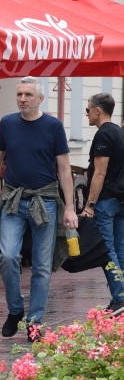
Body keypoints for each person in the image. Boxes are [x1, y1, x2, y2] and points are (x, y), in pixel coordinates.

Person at [0, 76, 78, 342]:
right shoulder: (7, 124)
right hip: (13, 199)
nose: (22, 99)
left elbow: (64, 168)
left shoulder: (53, 126)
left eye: (28, 95)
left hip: (45, 201)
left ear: (40, 99)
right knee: (8, 256)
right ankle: (15, 310)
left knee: (41, 265)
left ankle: (35, 322)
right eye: (19, 94)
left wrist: (70, 207)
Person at [81, 93, 124, 315]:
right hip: (120, 199)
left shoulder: (104, 135)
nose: (86, 114)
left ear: (98, 110)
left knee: (106, 250)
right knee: (119, 249)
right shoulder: (119, 132)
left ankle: (120, 297)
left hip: (106, 200)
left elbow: (99, 173)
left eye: (88, 110)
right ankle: (121, 296)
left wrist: (89, 205)